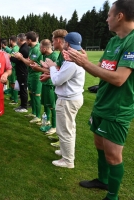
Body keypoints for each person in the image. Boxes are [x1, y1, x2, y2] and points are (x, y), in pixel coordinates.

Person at [65, 0, 134, 199]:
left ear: (119, 16)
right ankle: (103, 181)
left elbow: (119, 79)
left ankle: (112, 196)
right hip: (102, 104)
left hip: (117, 109)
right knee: (99, 145)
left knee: (113, 156)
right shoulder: (113, 41)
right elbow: (104, 71)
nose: (106, 18)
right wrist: (84, 59)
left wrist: (85, 64)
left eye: (109, 15)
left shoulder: (132, 41)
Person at [42, 32, 85, 169]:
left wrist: (52, 66)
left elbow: (56, 80)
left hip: (68, 100)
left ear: (67, 43)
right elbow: (60, 76)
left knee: (65, 130)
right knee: (69, 128)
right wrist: (54, 68)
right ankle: (65, 151)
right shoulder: (75, 57)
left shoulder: (72, 62)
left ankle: (67, 160)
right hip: (71, 98)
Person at [14, 31, 43, 119]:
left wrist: (21, 57)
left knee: (36, 96)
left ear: (29, 40)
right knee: (32, 95)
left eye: (26, 39)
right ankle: (34, 113)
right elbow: (29, 60)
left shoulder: (36, 49)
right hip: (31, 74)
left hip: (36, 75)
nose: (25, 42)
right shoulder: (32, 48)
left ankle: (38, 116)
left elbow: (30, 63)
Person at [10, 33, 30, 112]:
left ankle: (24, 106)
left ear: (19, 39)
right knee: (21, 89)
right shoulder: (23, 47)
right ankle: (22, 105)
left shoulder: (24, 49)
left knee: (23, 89)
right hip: (21, 71)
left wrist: (10, 57)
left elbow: (18, 61)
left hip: (23, 71)